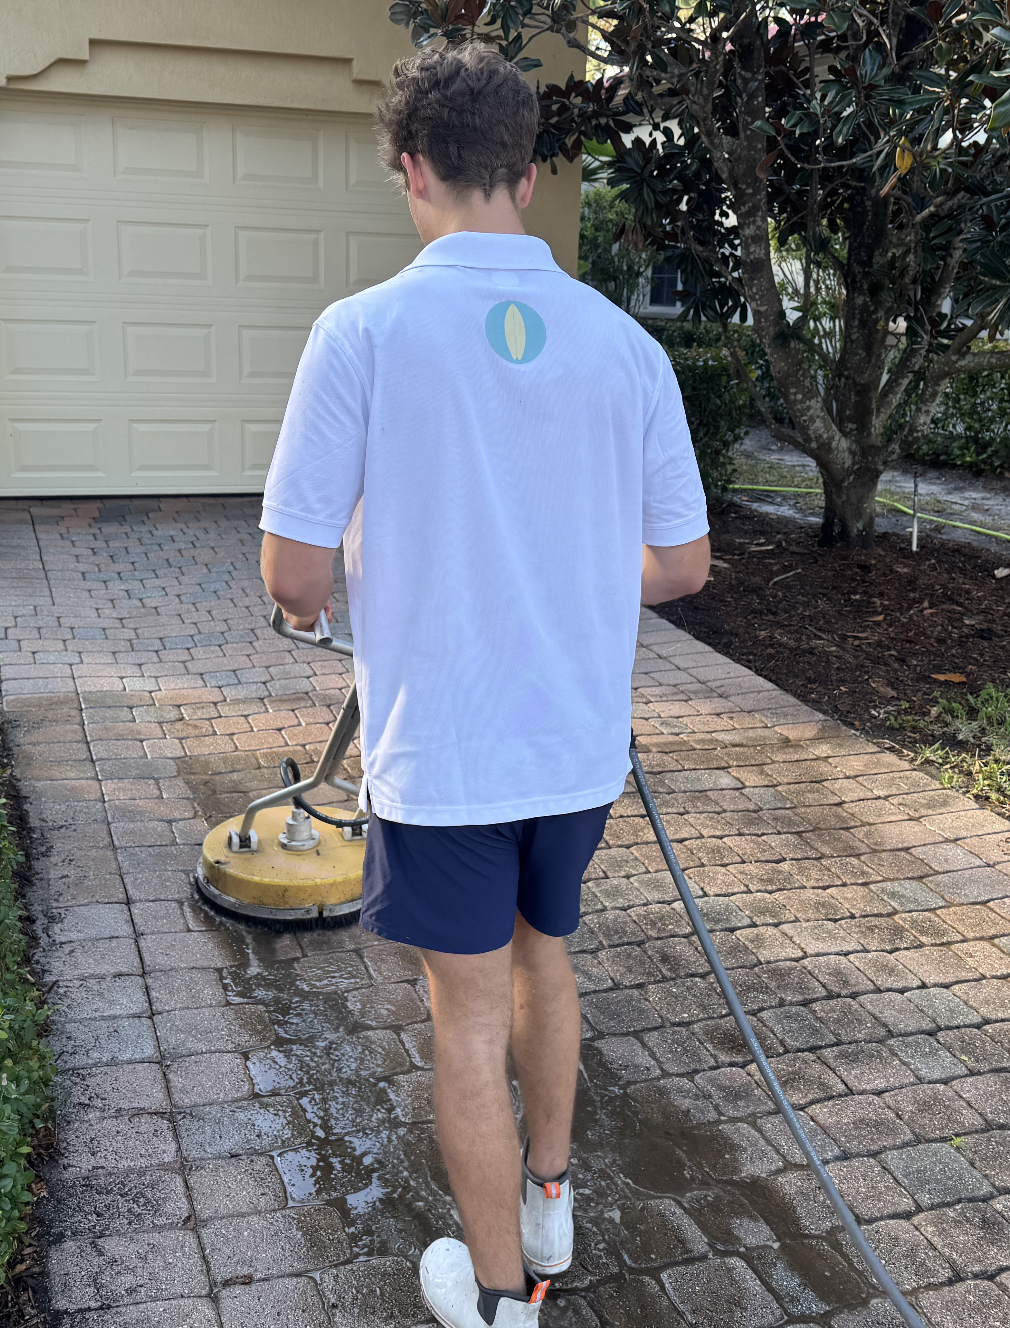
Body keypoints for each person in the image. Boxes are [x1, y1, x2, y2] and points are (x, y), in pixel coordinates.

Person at [258, 43, 710, 1328]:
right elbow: (680, 565)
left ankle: (503, 1298)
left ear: (410, 169)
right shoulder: (624, 344)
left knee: (463, 1015)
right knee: (542, 957)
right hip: (575, 752)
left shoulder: (360, 333)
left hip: (445, 754)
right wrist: (569, 570)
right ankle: (549, 1197)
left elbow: (293, 572)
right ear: (524, 170)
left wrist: (311, 599)